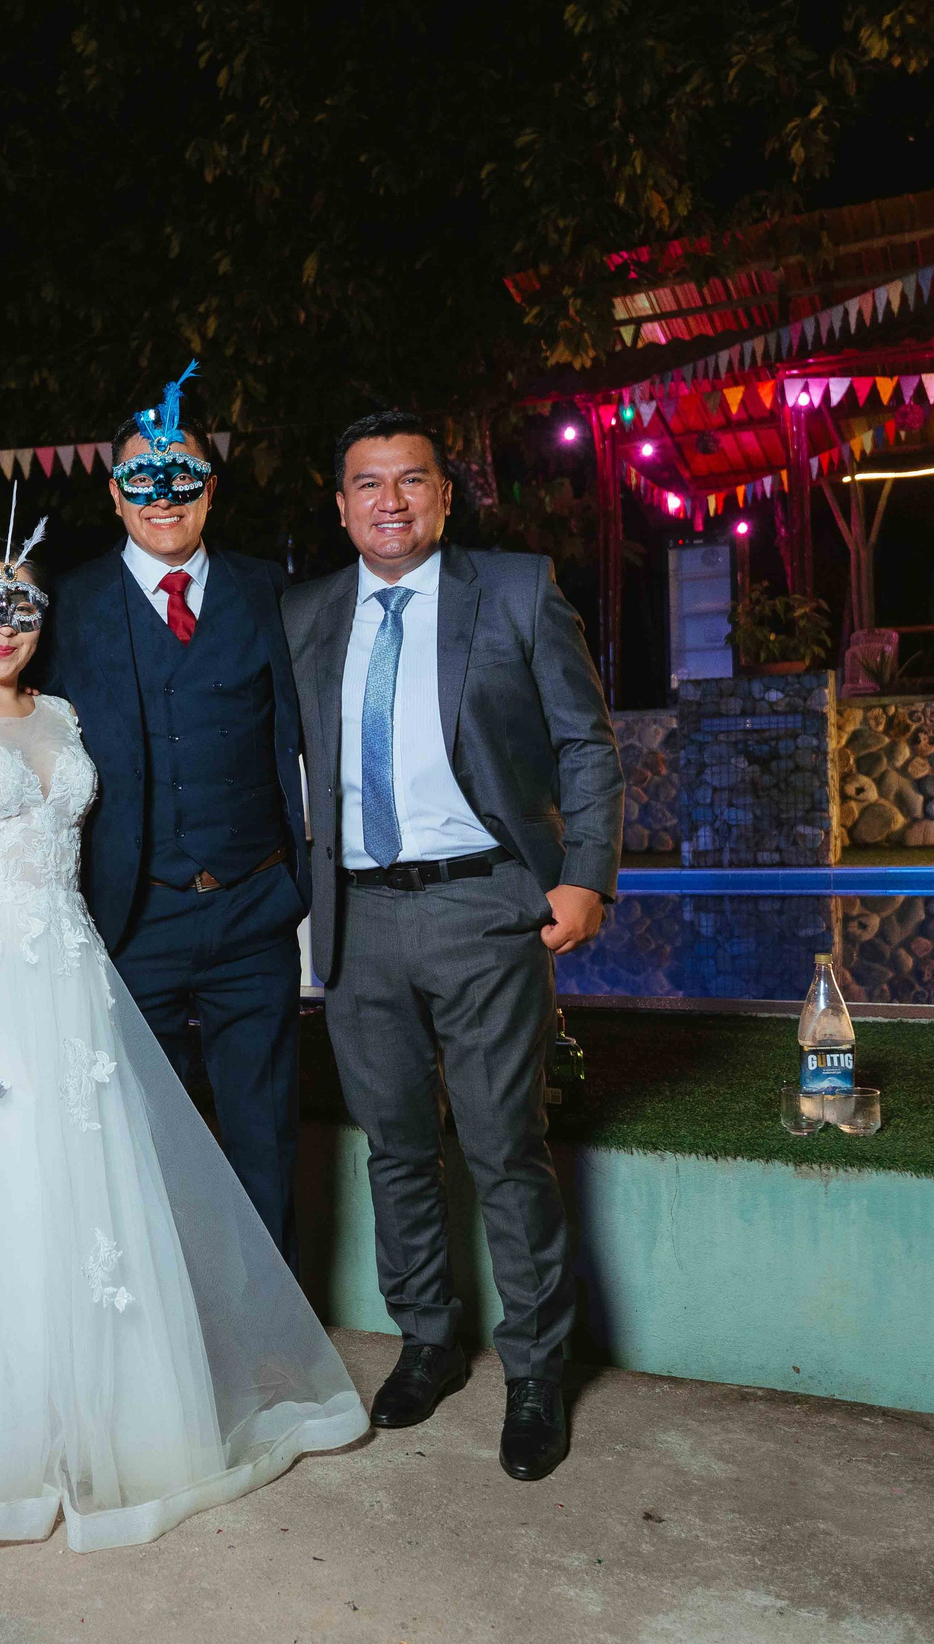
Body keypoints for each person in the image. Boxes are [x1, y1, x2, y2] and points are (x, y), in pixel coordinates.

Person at [0, 527, 365, 1552]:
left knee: (89, 1190)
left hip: (69, 976)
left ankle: (116, 1416)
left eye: (22, 608)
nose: (2, 626)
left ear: (42, 625)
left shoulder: (61, 714)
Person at [281, 410, 623, 1483]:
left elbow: (584, 741)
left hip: (483, 905)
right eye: (366, 484)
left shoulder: (514, 590)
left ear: (442, 494)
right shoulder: (303, 613)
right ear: (340, 507)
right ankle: (427, 1340)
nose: (389, 501)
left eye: (411, 481)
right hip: (357, 914)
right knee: (392, 1144)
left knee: (500, 1143)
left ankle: (535, 1368)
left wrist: (585, 876)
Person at [38, 363, 313, 1254]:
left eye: (181, 477)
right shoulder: (66, 606)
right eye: (140, 481)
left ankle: (274, 1345)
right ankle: (175, 1343)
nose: (163, 497)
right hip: (131, 915)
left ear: (209, 489)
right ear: (115, 496)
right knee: (142, 1137)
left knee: (265, 1135)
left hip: (253, 906)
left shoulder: (273, 592)